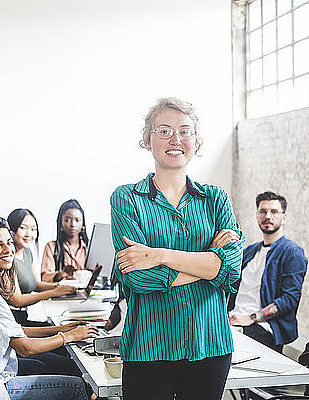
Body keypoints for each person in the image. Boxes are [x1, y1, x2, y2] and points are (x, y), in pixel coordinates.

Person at [110, 97, 244, 400]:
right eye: (164, 131)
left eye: (185, 131)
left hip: (210, 345)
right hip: (149, 347)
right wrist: (210, 264)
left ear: (196, 142)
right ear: (147, 139)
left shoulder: (216, 199)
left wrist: (159, 255)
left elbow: (232, 269)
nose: (176, 139)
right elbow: (138, 279)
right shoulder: (126, 199)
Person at [0, 217, 98, 400]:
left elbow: (14, 331)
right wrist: (69, 336)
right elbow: (25, 348)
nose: (8, 249)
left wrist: (60, 329)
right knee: (76, 387)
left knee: (56, 367)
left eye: (9, 242)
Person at [227, 191, 308, 353]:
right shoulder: (250, 252)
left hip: (262, 327)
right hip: (233, 320)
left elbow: (290, 299)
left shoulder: (292, 252)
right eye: (263, 211)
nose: (268, 216)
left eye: (274, 211)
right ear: (257, 215)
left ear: (284, 217)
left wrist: (250, 318)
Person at [7, 208, 77, 326]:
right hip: (12, 319)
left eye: (33, 229)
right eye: (23, 228)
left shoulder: (27, 252)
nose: (29, 234)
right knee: (60, 328)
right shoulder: (8, 259)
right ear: (11, 230)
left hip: (24, 316)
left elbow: (36, 285)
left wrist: (61, 286)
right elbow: (17, 300)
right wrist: (54, 292)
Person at [41, 199, 89, 282]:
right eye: (67, 220)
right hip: (60, 293)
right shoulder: (52, 247)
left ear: (82, 224)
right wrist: (62, 274)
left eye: (77, 220)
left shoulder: (89, 247)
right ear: (61, 223)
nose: (73, 224)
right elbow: (45, 278)